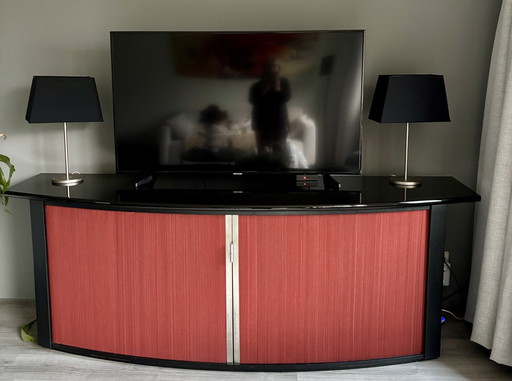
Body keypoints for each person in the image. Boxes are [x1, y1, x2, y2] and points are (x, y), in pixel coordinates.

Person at [249, 57, 291, 156]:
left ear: (278, 68)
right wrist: (265, 89)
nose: (271, 69)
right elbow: (252, 101)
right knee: (262, 151)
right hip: (261, 123)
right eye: (268, 67)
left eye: (274, 66)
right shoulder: (255, 86)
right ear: (264, 69)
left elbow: (286, 98)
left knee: (279, 151)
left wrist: (278, 89)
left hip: (279, 121)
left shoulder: (284, 82)